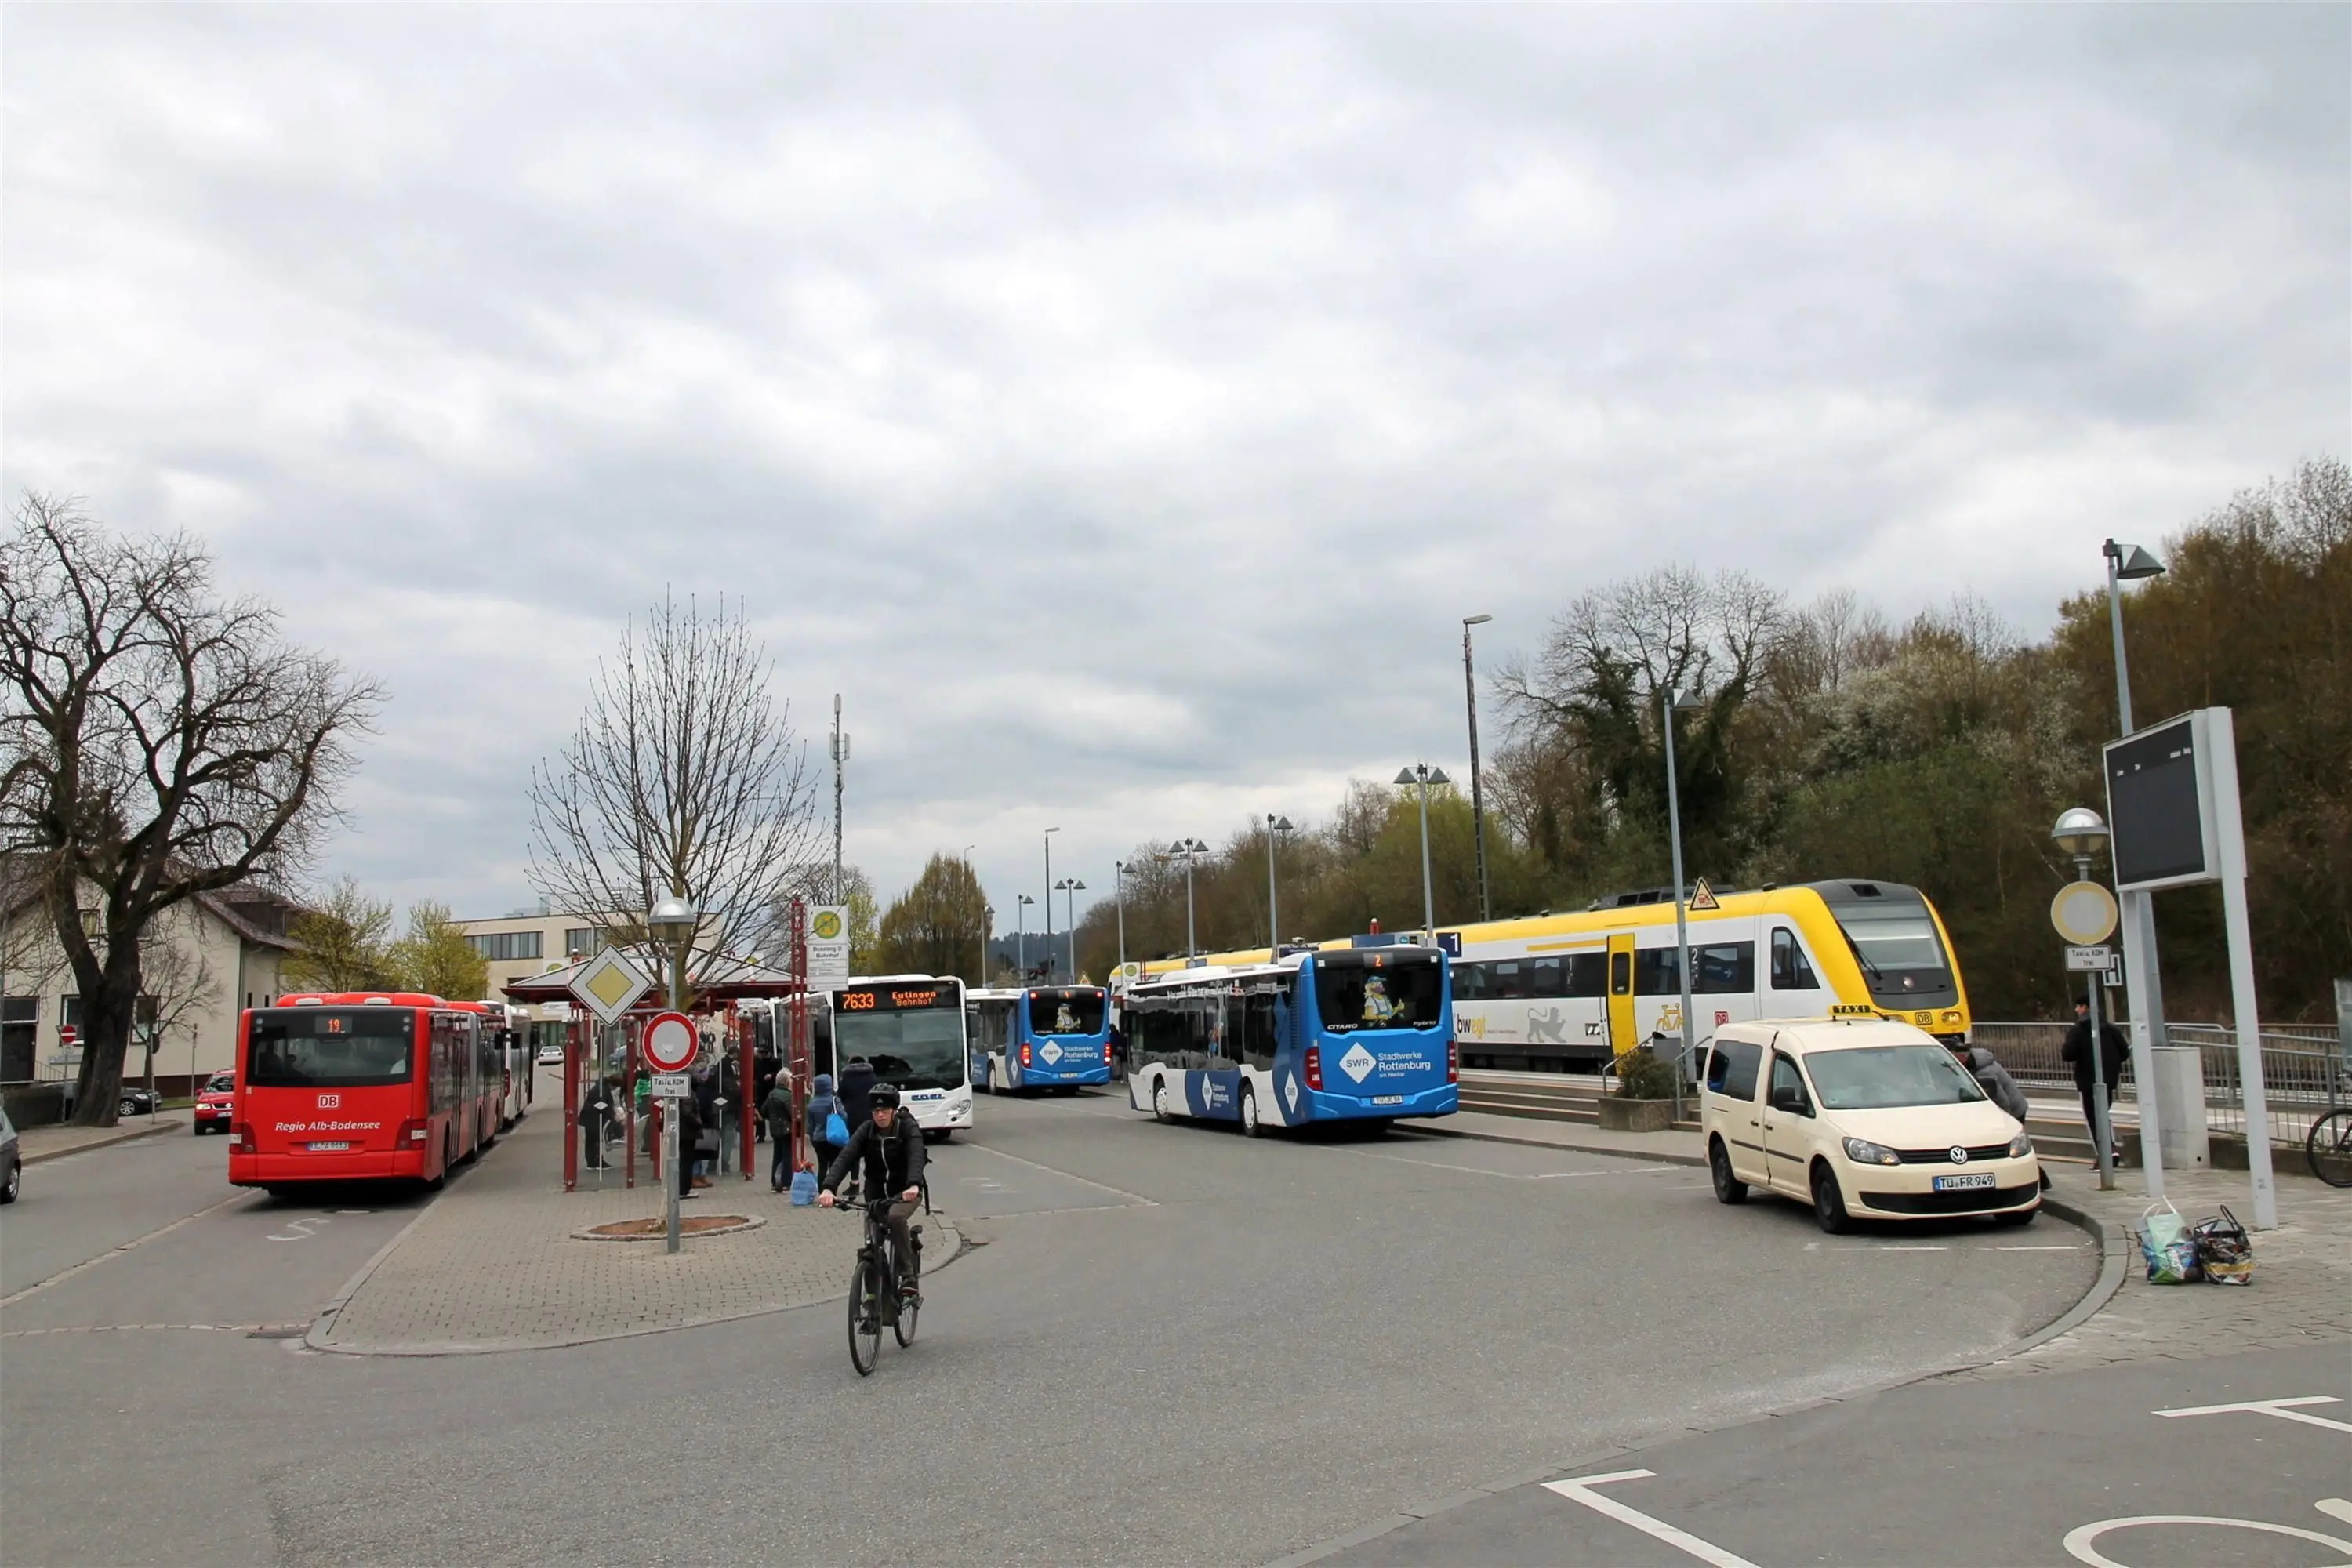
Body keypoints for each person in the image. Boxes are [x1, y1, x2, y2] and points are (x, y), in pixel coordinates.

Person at [817, 1083, 927, 1309]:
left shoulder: (906, 1128)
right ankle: (872, 1299)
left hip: (905, 1192)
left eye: (885, 1110)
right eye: (876, 1111)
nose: (880, 1115)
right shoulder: (866, 1131)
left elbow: (916, 1156)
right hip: (876, 1195)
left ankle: (908, 1276)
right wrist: (829, 1188)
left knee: (896, 1219)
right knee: (870, 1244)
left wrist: (914, 1184)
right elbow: (846, 1157)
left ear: (893, 1110)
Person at [2060, 997, 2129, 1161]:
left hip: (2087, 1081)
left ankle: (2104, 1155)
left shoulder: (2078, 1030)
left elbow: (2067, 1054)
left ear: (2085, 1007)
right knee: (2103, 1114)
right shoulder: (2111, 1029)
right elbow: (2125, 1052)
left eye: (2078, 1006)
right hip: (2109, 1080)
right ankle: (2110, 1149)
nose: (2076, 1010)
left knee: (2092, 1117)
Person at [1947, 1038, 2030, 1123]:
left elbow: (2001, 1101)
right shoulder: (1974, 1059)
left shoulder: (1985, 1073)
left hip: (2015, 1109)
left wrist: (2006, 1121)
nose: (1953, 1061)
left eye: (1954, 1057)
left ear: (1963, 1057)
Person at [804, 1072, 844, 1189]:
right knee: (834, 1166)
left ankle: (821, 1191)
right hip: (833, 1138)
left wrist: (813, 1139)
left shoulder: (812, 1104)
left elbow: (810, 1126)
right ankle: (831, 1190)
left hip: (818, 1139)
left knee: (822, 1166)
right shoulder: (834, 1100)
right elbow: (843, 1115)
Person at [760, 1066, 797, 1192]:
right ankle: (787, 1182)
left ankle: (775, 1182)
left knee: (777, 1156)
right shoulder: (787, 1095)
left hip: (775, 1129)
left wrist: (772, 1119)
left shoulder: (771, 1094)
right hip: (786, 1129)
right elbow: (792, 1113)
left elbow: (764, 1110)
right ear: (787, 1081)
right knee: (787, 1156)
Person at [670, 1091, 702, 1200]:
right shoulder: (686, 1092)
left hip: (681, 1131)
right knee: (686, 1161)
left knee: (684, 1160)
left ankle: (681, 1189)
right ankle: (683, 1189)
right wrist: (698, 1122)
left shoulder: (681, 1091)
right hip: (687, 1132)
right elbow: (687, 1112)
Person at [836, 1054, 877, 1127]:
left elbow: (841, 1095)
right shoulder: (872, 1076)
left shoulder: (847, 1077)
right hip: (870, 1114)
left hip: (852, 1115)